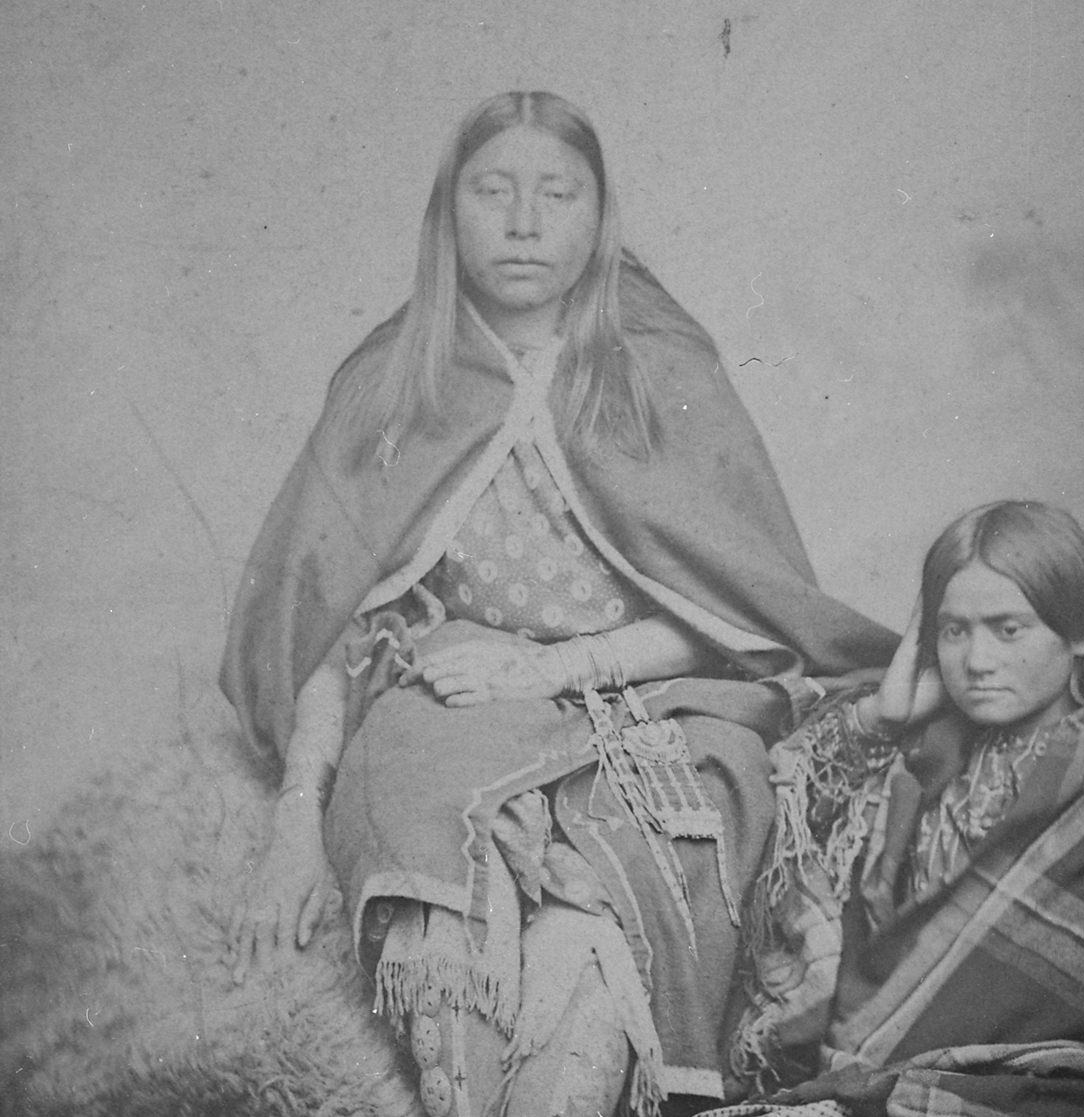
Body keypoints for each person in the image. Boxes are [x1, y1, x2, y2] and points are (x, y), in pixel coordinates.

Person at [220, 91, 896, 1117]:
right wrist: (294, 829)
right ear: (449, 215)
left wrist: (552, 669)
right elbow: (328, 620)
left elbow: (740, 622)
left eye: (557, 193)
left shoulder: (658, 369)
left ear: (599, 216)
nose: (525, 221)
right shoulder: (390, 382)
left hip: (653, 703)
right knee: (441, 913)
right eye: (494, 191)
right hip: (450, 708)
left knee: (596, 938)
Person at [729, 501, 1084, 1117]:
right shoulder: (929, 749)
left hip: (1058, 1091)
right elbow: (799, 829)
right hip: (881, 1076)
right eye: (954, 631)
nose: (977, 661)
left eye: (1008, 629)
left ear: (1083, 634)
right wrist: (883, 717)